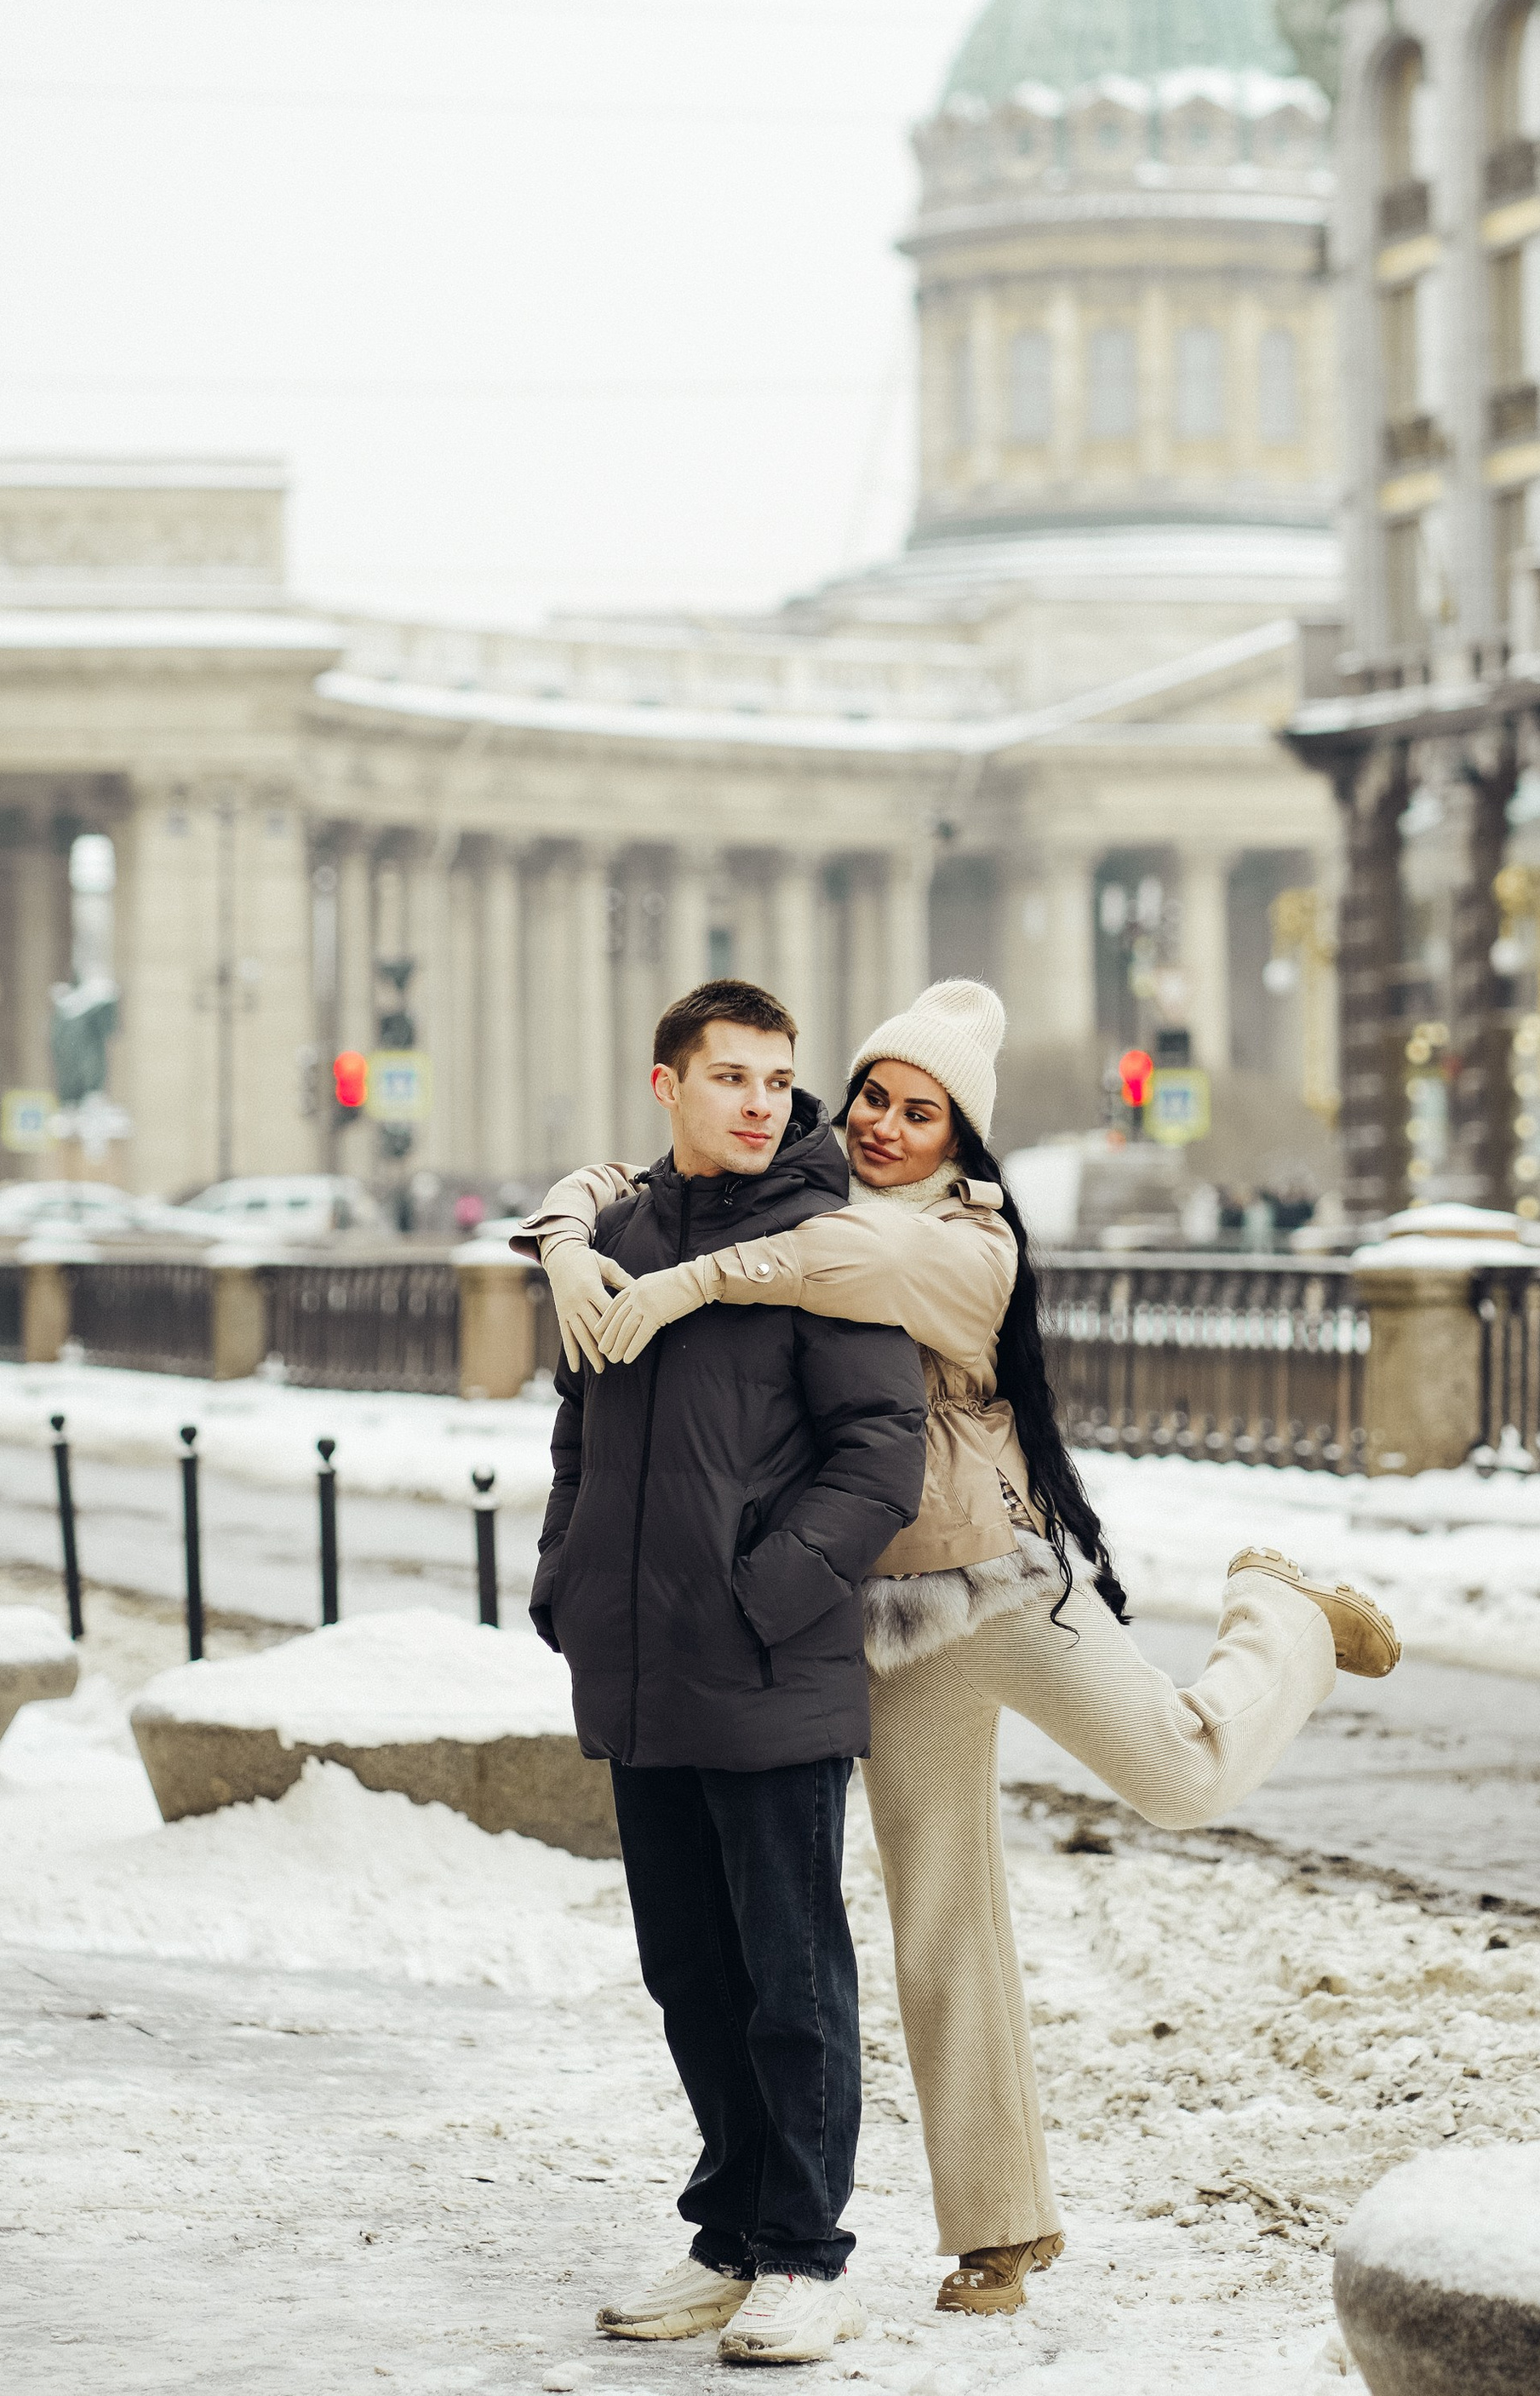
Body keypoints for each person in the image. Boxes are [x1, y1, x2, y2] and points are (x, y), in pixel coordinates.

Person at [530, 979, 1397, 2320]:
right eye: (871, 1094)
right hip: (881, 1622)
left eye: (920, 1110)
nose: (882, 1124)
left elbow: (821, 1260)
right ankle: (999, 2227)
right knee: (937, 1914)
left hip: (999, 1585)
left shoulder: (957, 1241)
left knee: (1183, 1772)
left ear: (962, 1138)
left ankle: (1279, 1611)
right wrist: (572, 1232)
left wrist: (667, 1271)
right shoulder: (800, 1182)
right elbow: (632, 1177)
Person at [524, 979, 925, 2368]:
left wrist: (774, 1588)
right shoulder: (619, 1237)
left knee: (789, 1973)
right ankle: (732, 2239)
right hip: (642, 1663)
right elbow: (582, 1429)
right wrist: (564, 1574)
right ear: (667, 1087)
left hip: (767, 1661)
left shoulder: (826, 1243)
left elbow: (882, 1450)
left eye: (778, 1077)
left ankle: (808, 2253)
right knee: (687, 1968)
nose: (762, 1101)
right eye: (732, 1076)